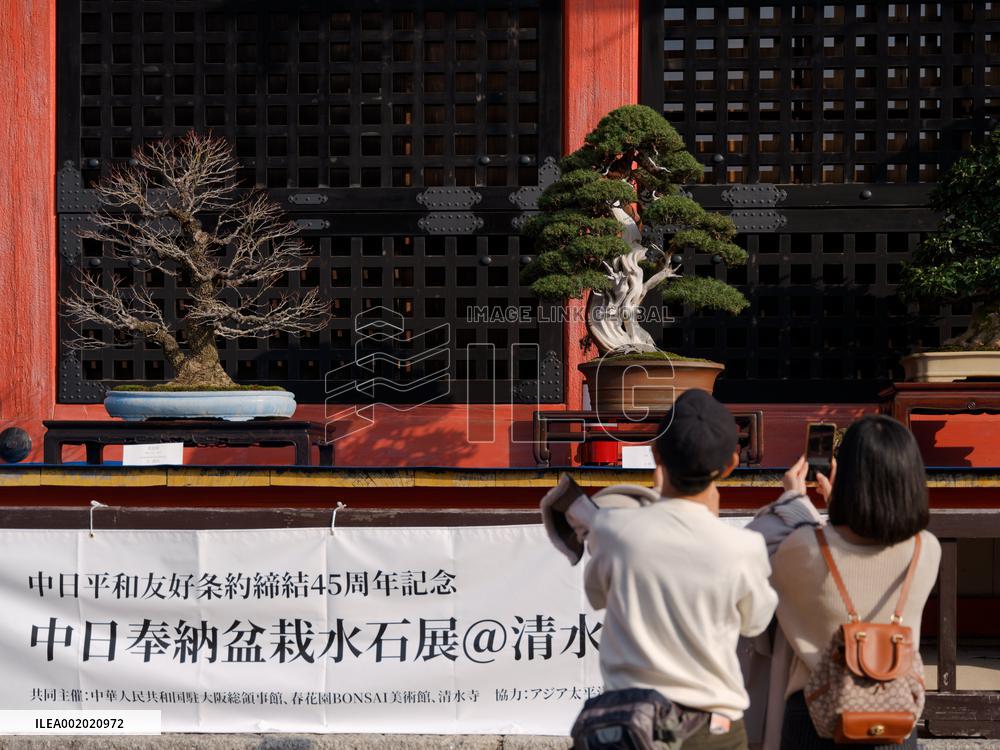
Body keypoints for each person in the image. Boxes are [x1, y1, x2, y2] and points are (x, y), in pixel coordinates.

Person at [584, 389, 778, 750]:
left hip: (627, 725)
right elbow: (756, 623)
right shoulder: (743, 547)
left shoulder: (613, 530)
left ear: (656, 455)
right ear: (731, 465)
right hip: (713, 728)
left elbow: (596, 594)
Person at [768, 415, 941, 750]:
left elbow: (809, 554)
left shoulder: (803, 549)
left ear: (844, 475)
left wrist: (793, 499)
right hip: (894, 712)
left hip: (816, 713)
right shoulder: (926, 550)